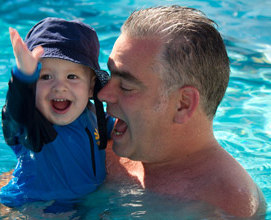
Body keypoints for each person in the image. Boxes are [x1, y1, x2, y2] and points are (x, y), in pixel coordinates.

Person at [98, 5, 265, 218]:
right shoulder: (101, 146)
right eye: (109, 75)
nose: (103, 94)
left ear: (183, 104)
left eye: (126, 87)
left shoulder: (220, 205)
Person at [0, 17, 114, 214]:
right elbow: (17, 110)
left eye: (72, 76)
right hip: (34, 205)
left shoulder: (92, 114)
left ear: (91, 87)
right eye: (45, 77)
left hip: (82, 200)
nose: (59, 86)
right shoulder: (35, 128)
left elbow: (111, 125)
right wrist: (23, 77)